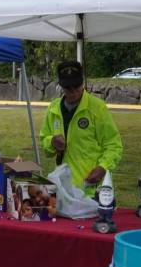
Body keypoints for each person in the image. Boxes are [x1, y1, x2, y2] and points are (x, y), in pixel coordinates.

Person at [39, 60, 122, 196]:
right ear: (61, 86)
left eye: (76, 87)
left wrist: (103, 167)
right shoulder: (53, 108)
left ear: (82, 83)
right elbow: (45, 144)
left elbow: (113, 145)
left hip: (90, 189)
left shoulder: (97, 108)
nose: (73, 92)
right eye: (68, 88)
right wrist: (52, 142)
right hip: (63, 189)